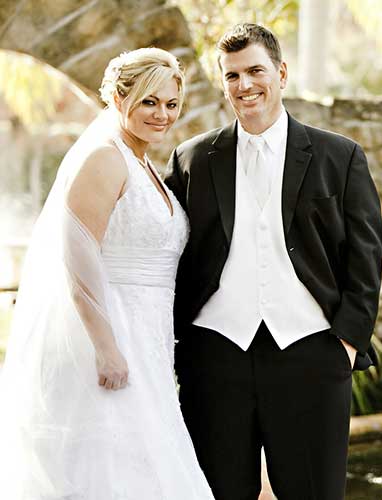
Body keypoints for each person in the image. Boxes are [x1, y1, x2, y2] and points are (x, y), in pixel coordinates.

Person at [166, 23, 382, 500]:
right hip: (215, 355)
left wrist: (347, 343)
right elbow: (167, 254)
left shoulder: (339, 156)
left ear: (281, 73)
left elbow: (367, 253)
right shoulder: (192, 159)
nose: (244, 85)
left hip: (312, 352)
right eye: (232, 75)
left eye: (255, 71)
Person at [0, 47, 214, 500]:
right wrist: (106, 347)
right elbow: (77, 257)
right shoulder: (104, 158)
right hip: (114, 335)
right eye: (148, 101)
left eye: (171, 103)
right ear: (119, 99)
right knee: (114, 465)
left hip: (151, 339)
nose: (162, 114)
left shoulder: (144, 164)